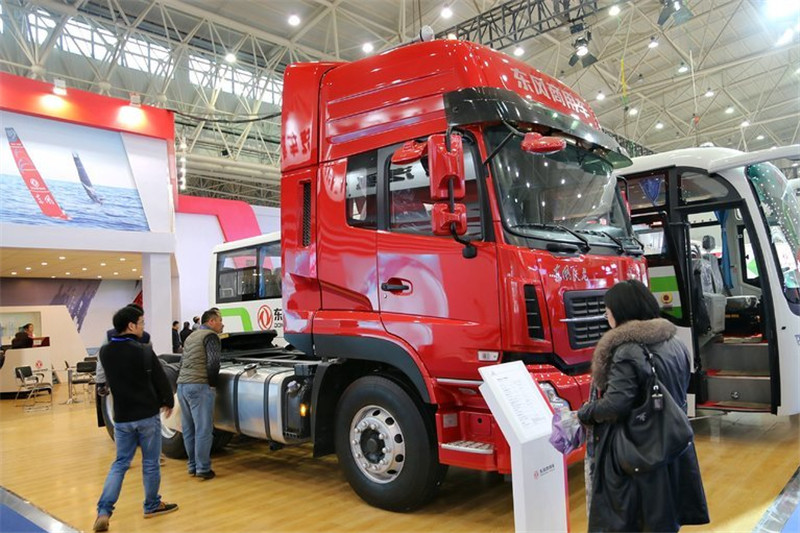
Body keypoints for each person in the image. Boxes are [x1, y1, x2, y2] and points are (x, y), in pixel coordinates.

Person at [577, 279, 709, 532]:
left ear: (621, 312)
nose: (607, 317)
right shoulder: (675, 342)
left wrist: (585, 412)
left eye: (608, 311)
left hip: (639, 449)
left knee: (635, 520)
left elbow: (615, 405)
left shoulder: (627, 350)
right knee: (664, 516)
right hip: (671, 441)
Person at [93, 306, 178, 532]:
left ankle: (104, 511)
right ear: (131, 326)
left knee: (120, 463)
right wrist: (168, 401)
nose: (143, 327)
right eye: (141, 323)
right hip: (146, 414)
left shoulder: (105, 352)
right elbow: (160, 378)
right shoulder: (143, 350)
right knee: (150, 463)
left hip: (122, 417)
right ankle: (151, 504)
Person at [177, 308, 223, 480]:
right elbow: (213, 363)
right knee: (203, 429)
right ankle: (203, 468)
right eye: (220, 320)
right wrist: (212, 385)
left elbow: (182, 361)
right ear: (211, 321)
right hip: (198, 385)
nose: (222, 324)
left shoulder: (191, 336)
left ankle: (192, 466)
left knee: (188, 429)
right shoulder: (210, 336)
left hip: (182, 385)